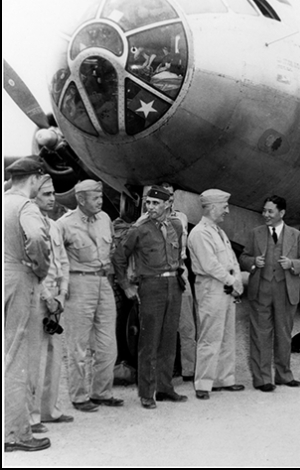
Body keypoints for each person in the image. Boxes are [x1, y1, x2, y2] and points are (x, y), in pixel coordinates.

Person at [114, 185, 187, 409]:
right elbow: (119, 256)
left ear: (168, 204)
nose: (151, 207)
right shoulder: (139, 228)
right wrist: (126, 286)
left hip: (173, 284)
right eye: (149, 203)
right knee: (149, 341)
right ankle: (147, 392)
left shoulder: (176, 225)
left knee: (168, 339)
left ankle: (165, 388)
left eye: (156, 203)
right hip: (150, 286)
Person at [58, 180, 122, 411]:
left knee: (107, 343)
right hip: (78, 283)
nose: (100, 202)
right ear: (80, 199)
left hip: (102, 282)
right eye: (95, 198)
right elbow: (55, 260)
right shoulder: (63, 225)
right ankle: (78, 396)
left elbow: (111, 250)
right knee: (78, 345)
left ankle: (101, 392)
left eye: (101, 197)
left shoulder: (105, 219)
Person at [239, 196, 300, 392]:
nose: (266, 215)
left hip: (285, 291)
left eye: (270, 211)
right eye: (264, 211)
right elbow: (243, 257)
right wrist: (254, 262)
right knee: (260, 335)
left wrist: (292, 264)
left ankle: (284, 375)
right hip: (260, 291)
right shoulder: (255, 234)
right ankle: (262, 379)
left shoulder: (296, 236)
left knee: (284, 335)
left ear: (282, 213)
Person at [4, 156, 52, 452]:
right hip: (19, 277)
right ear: (34, 179)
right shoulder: (25, 206)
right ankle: (15, 433)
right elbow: (36, 236)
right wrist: (40, 268)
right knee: (16, 358)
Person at [188, 189, 244, 399]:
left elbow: (231, 259)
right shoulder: (200, 233)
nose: (227, 211)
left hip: (225, 288)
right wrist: (232, 280)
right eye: (224, 207)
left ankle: (224, 379)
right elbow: (210, 264)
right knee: (210, 336)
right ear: (212, 208)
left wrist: (237, 279)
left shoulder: (218, 231)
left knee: (227, 335)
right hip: (211, 289)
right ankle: (203, 383)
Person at [28, 175, 73, 435]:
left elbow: (63, 262)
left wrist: (63, 293)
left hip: (57, 297)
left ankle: (50, 410)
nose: (52, 198)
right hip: (40, 297)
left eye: (53, 193)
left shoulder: (55, 226)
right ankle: (32, 416)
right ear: (34, 196)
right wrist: (48, 297)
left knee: (55, 355)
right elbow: (36, 266)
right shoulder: (30, 225)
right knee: (35, 357)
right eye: (46, 194)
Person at [161, 182, 196, 382]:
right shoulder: (147, 220)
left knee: (187, 325)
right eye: (166, 195)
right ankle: (164, 373)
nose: (170, 198)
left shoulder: (182, 217)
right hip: (160, 273)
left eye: (172, 195)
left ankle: (189, 371)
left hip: (180, 271)